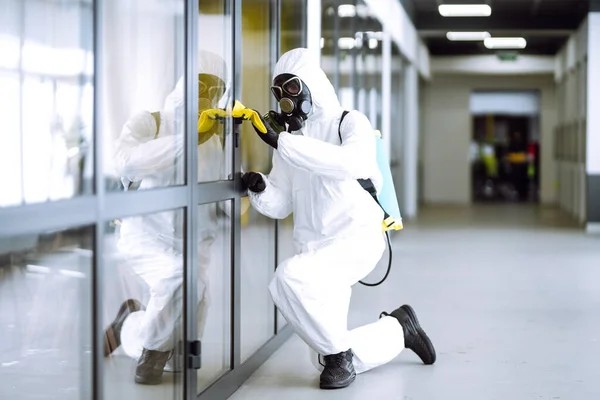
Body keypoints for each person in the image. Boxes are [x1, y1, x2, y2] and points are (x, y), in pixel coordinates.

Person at [243, 48, 436, 390]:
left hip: (355, 241)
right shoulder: (292, 143)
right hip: (313, 248)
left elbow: (354, 163)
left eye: (291, 89)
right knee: (323, 352)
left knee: (287, 278)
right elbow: (281, 204)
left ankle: (340, 356)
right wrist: (260, 189)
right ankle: (398, 329)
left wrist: (284, 143)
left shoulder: (350, 122)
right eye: (279, 94)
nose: (287, 101)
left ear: (311, 86)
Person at [103, 51, 228, 385]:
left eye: (216, 90)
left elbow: (220, 199)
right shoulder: (151, 122)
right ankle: (152, 354)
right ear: (186, 83)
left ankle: (130, 325)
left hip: (192, 242)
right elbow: (126, 162)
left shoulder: (215, 142)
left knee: (195, 301)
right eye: (203, 87)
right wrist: (186, 139)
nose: (209, 97)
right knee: (177, 278)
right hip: (145, 236)